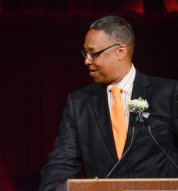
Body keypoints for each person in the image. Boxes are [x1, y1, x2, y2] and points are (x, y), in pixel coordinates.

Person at [39, 15, 178, 191]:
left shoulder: (168, 93)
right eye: (85, 53)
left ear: (120, 51)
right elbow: (61, 164)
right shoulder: (79, 104)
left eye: (93, 53)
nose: (87, 61)